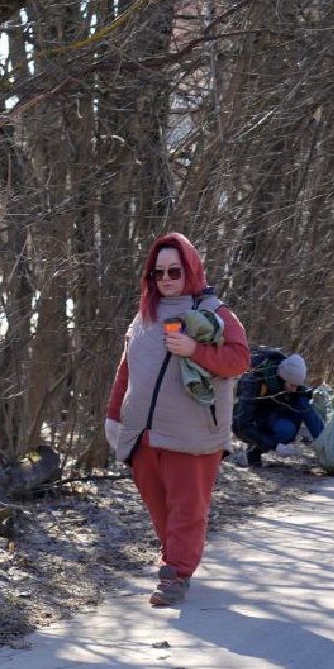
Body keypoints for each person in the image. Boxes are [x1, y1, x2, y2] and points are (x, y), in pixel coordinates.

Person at [104, 234, 251, 607]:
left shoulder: (216, 314)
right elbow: (127, 369)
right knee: (160, 508)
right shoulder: (145, 315)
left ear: (191, 269)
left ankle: (176, 573)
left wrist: (195, 350)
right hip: (143, 432)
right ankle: (176, 560)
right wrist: (113, 414)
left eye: (174, 270)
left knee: (187, 507)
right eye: (158, 273)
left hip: (194, 432)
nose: (166, 279)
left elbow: (239, 360)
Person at [233, 351, 325, 467]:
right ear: (281, 378)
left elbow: (302, 395)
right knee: (285, 430)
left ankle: (326, 446)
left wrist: (317, 396)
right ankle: (255, 449)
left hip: (274, 412)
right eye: (292, 385)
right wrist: (274, 446)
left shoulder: (290, 376)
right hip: (252, 420)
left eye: (297, 386)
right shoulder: (253, 381)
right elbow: (243, 424)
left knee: (303, 401)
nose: (294, 389)